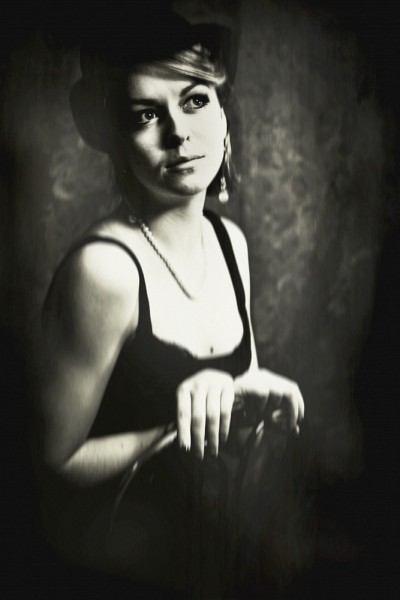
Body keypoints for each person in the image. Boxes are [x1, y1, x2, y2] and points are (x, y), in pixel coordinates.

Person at [33, 5, 304, 598]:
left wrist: (251, 399)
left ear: (225, 116)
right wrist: (169, 432)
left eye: (196, 100)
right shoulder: (104, 272)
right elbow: (47, 465)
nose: (178, 132)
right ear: (117, 139)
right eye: (146, 114)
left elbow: (231, 415)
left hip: (208, 558)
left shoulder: (230, 243)